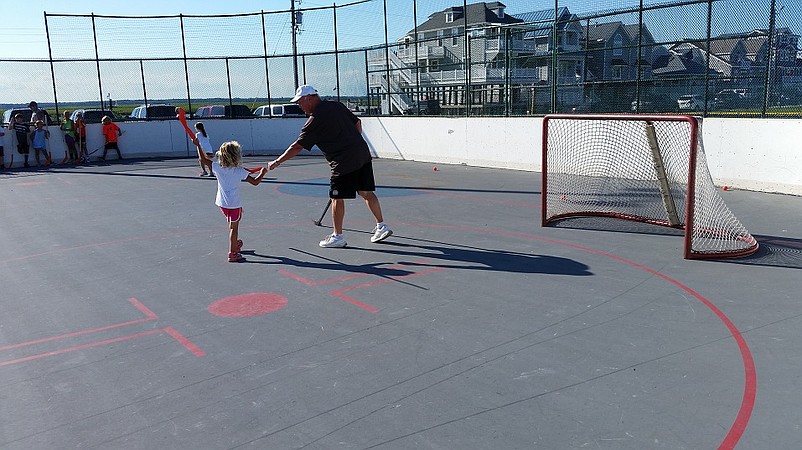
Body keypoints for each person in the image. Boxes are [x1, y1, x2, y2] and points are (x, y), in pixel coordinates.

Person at [268, 84, 392, 248]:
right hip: (362, 154)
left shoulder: (314, 121)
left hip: (343, 163)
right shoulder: (336, 105)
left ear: (309, 99)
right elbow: (358, 123)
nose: (299, 106)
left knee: (336, 198)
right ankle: (381, 226)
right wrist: (353, 143)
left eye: (300, 102)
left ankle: (337, 236)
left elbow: (297, 146)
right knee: (366, 192)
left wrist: (276, 162)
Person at [196, 140, 267, 262]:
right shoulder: (239, 171)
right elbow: (255, 182)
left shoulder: (217, 168)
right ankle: (232, 252)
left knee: (231, 224)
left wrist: (198, 145)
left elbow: (203, 159)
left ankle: (235, 244)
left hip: (222, 203)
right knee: (234, 227)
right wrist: (262, 173)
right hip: (234, 203)